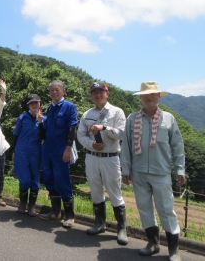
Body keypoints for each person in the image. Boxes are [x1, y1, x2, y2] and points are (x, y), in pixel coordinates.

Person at [121, 81, 185, 261]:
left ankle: (173, 250)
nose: (149, 97)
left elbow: (177, 146)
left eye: (153, 94)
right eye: (146, 94)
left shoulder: (168, 119)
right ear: (141, 97)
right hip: (138, 172)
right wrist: (125, 168)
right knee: (144, 209)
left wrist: (180, 169)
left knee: (166, 210)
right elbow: (126, 145)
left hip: (162, 172)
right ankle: (153, 243)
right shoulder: (132, 119)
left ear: (158, 97)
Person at [77, 81, 127, 245]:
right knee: (95, 191)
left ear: (107, 93)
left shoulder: (117, 112)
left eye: (101, 91)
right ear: (91, 95)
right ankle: (99, 223)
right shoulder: (87, 114)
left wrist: (104, 128)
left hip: (110, 158)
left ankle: (121, 228)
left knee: (115, 192)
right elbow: (81, 135)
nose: (98, 95)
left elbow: (122, 134)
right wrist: (91, 144)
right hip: (91, 157)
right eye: (94, 92)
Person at [39, 80, 79, 228]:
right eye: (52, 90)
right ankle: (56, 212)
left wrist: (68, 148)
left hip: (61, 148)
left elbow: (72, 128)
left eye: (57, 90)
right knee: (48, 178)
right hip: (48, 148)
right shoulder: (50, 108)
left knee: (62, 179)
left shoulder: (69, 107)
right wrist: (41, 122)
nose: (54, 92)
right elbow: (47, 129)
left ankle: (69, 215)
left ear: (63, 91)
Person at [13, 94, 45, 216]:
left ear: (40, 104)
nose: (34, 105)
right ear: (28, 105)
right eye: (32, 103)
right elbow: (16, 135)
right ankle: (22, 203)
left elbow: (44, 136)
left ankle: (31, 206)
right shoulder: (22, 118)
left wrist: (40, 122)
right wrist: (14, 151)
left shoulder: (43, 118)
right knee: (25, 179)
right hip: (21, 150)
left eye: (36, 103)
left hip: (36, 152)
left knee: (35, 180)